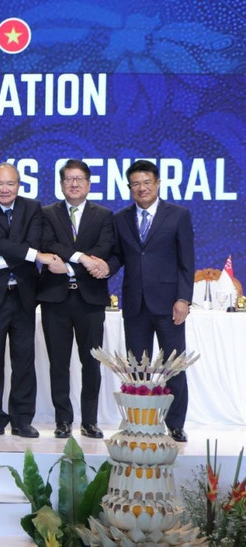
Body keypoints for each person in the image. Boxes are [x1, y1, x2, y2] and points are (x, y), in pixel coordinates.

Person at [0, 162, 61, 438]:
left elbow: (30, 242)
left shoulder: (33, 208)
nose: (4, 189)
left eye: (10, 184)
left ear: (18, 185)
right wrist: (34, 256)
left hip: (23, 296)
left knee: (24, 360)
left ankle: (22, 419)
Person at [106, 159, 195, 442]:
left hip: (169, 304)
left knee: (173, 367)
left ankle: (176, 424)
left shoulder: (178, 215)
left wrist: (183, 298)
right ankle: (140, 421)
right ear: (129, 187)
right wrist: (104, 266)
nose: (141, 188)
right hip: (135, 304)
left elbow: (186, 261)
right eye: (135, 184)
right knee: (137, 369)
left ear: (157, 183)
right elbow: (119, 256)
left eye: (146, 182)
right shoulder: (120, 218)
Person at [37, 159, 114, 439]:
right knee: (58, 363)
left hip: (90, 300)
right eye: (68, 179)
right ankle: (63, 420)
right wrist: (81, 258)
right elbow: (48, 245)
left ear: (89, 184)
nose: (74, 183)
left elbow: (104, 249)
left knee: (91, 362)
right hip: (55, 299)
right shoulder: (46, 213)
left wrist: (69, 266)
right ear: (61, 184)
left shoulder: (104, 215)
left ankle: (90, 421)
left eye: (79, 179)